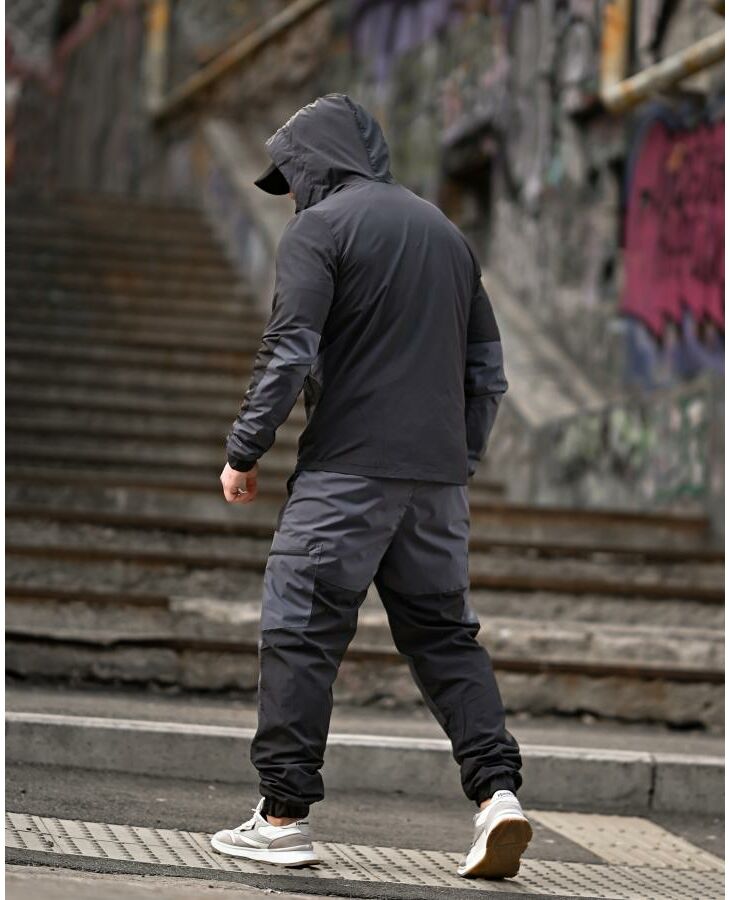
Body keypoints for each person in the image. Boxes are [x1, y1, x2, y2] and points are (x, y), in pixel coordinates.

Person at [212, 93, 531, 879]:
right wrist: (456, 460)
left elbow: (290, 348)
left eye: (291, 175)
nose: (290, 192)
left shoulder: (319, 230)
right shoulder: (447, 236)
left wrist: (245, 450)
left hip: (346, 477)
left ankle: (282, 818)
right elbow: (487, 374)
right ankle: (497, 795)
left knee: (301, 629)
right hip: (436, 485)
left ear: (315, 162)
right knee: (445, 637)